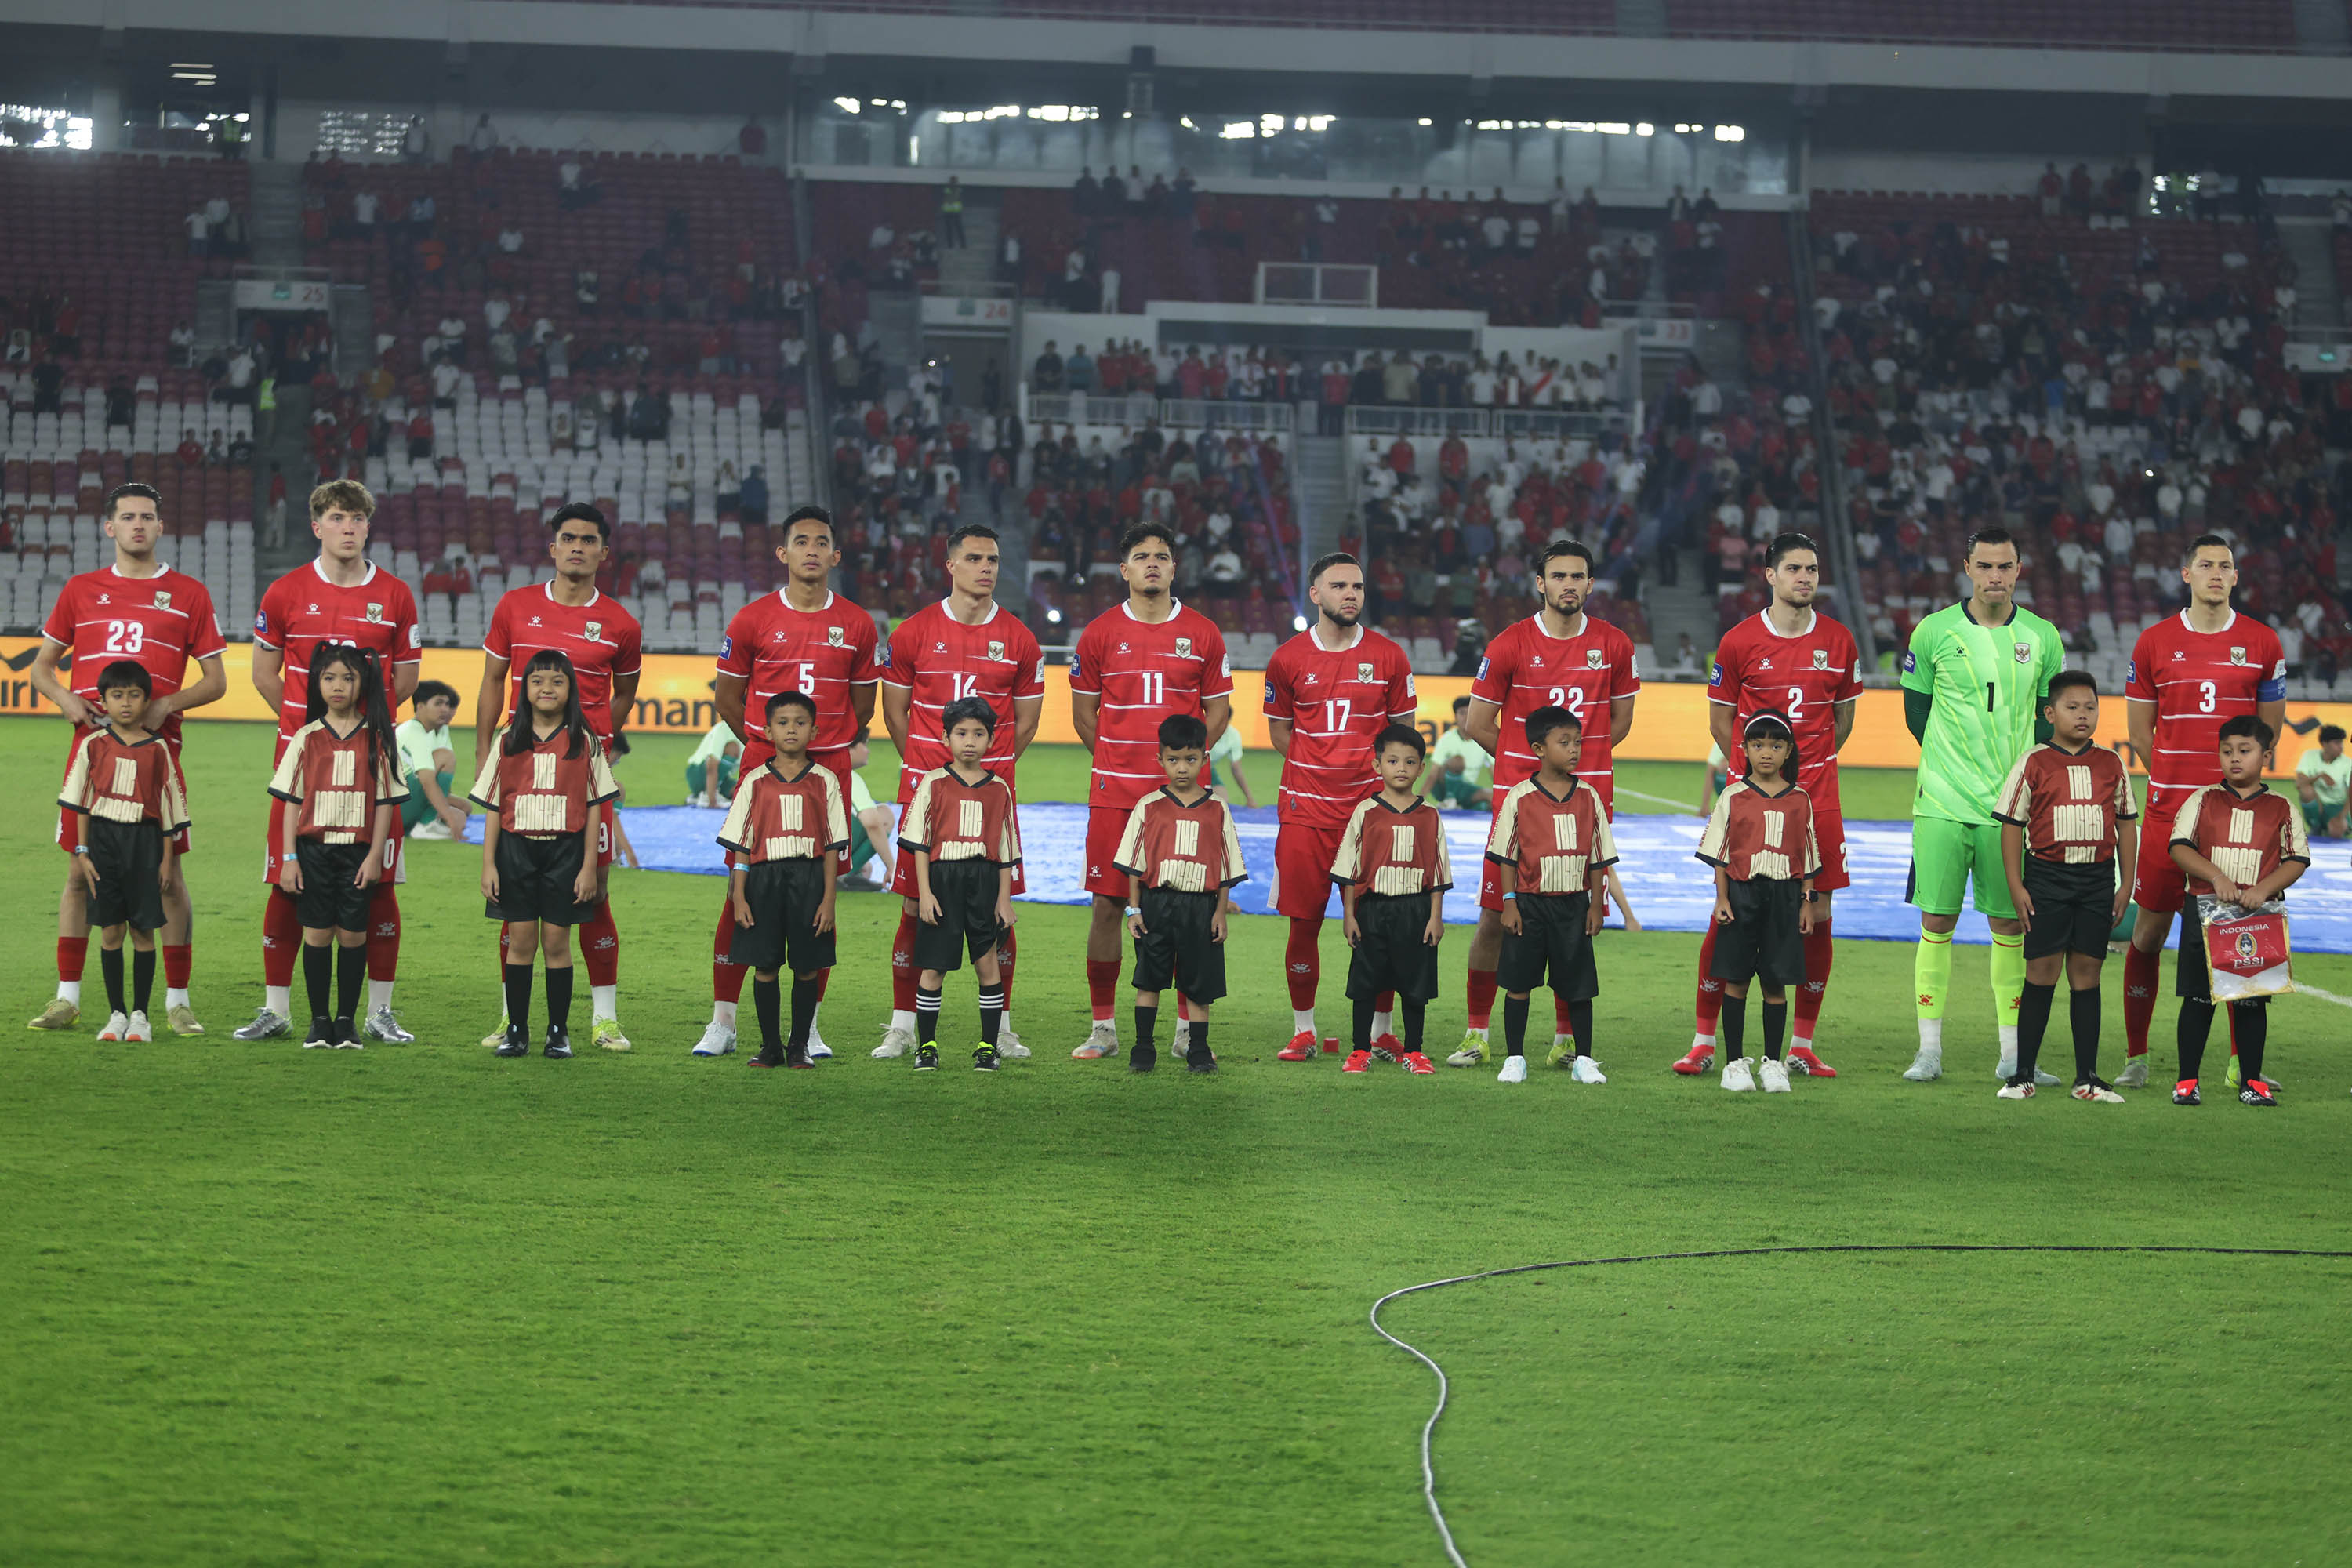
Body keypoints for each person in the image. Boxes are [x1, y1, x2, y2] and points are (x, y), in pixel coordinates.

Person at [28, 484, 227, 1036]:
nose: (138, 526)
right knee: (77, 872)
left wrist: (169, 703)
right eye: (128, 517)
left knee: (167, 879)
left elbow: (216, 681)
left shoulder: (188, 593)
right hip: (91, 755)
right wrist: (67, 698)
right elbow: (43, 667)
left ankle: (177, 1002)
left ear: (161, 527)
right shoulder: (81, 589)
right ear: (109, 528)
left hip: (157, 758)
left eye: (147, 518)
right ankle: (67, 998)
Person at [240, 481, 422, 1045]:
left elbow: (405, 680)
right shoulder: (285, 591)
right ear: (316, 525)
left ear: (369, 527)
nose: (348, 527)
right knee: (287, 880)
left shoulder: (395, 595)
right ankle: (277, 1010)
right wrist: (312, 734)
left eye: (358, 518)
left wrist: (357, 735)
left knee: (379, 881)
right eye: (337, 517)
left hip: (370, 767)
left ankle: (379, 1012)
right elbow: (263, 673)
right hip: (303, 767)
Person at [1452, 539, 1638, 1067]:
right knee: (1494, 918)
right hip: (1520, 808)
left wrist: (1573, 767)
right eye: (1558, 576)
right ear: (1540, 583)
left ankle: (1565, 1039)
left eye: (1578, 576)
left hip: (1585, 807)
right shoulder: (1510, 643)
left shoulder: (1615, 644)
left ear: (1590, 584)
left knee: (1574, 922)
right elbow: (1480, 723)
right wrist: (1530, 772)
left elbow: (1618, 723)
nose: (1569, 585)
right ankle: (1476, 1033)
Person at [702, 506, 880, 1059]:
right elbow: (728, 698)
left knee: (820, 899)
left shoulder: (858, 624)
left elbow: (863, 705)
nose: (810, 550)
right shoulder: (752, 619)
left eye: (820, 542)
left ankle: (810, 1029)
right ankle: (723, 1022)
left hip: (829, 772)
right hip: (764, 768)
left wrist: (821, 752)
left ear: (834, 555)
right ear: (783, 554)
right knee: (742, 894)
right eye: (799, 541)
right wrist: (763, 744)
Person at [1679, 532, 1857, 1079]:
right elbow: (1720, 721)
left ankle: (1801, 1044)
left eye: (1812, 569)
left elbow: (1842, 722)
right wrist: (1749, 781)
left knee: (1817, 915)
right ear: (1771, 576)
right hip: (1748, 805)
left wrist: (1801, 779)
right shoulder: (1737, 642)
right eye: (1794, 569)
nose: (1805, 577)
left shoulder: (1840, 641)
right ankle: (1704, 1040)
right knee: (1728, 911)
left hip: (1816, 802)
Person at [2120, 535, 2288, 1089]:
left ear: (2236, 577)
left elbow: (2268, 732)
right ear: (2186, 574)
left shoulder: (2263, 642)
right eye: (2206, 566)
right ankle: (2137, 1057)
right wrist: (2181, 788)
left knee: (2241, 933)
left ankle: (2244, 1066)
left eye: (2226, 567)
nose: (2217, 574)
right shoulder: (2154, 642)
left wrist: (2230, 796)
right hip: (2170, 814)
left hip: (2238, 821)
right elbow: (2141, 732)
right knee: (2148, 934)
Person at [1897, 527, 2064, 1085]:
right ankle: (1929, 1052)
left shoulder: (2043, 637)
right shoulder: (1933, 632)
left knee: (2009, 925)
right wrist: (1951, 766)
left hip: (2009, 810)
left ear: (2019, 570)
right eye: (1986, 566)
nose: (1996, 576)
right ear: (1967, 567)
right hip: (1942, 802)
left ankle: (2013, 1056)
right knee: (1937, 919)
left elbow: (2049, 721)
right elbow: (1915, 714)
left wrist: (2016, 783)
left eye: (2006, 566)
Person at [474, 504, 644, 1051]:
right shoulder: (515, 606)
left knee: (592, 894)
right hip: (523, 772)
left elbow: (623, 695)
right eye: (567, 538)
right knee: (515, 891)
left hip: (582, 781)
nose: (577, 547)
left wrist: (595, 746)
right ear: (552, 548)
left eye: (588, 540)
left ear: (603, 552)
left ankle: (603, 1019)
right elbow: (493, 681)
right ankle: (510, 1017)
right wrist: (485, 754)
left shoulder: (621, 623)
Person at [873, 526, 1043, 1061]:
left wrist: (985, 776)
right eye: (973, 558)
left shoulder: (1020, 639)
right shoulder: (913, 632)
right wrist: (931, 771)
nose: (985, 567)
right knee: (912, 907)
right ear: (950, 566)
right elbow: (895, 712)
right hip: (927, 793)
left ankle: (1003, 1028)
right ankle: (903, 1026)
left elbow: (1027, 722)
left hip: (991, 799)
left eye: (993, 559)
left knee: (999, 910)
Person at [1068, 523, 1233, 1061]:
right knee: (1108, 906)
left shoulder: (1205, 633)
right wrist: (1121, 762)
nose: (1153, 564)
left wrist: (1182, 769)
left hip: (1185, 802)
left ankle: (1188, 1031)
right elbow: (1084, 716)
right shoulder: (1097, 634)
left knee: (1188, 908)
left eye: (1162, 555)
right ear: (1125, 570)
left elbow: (1220, 710)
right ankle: (1103, 1028)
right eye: (1142, 556)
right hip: (1116, 794)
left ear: (1174, 567)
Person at [1262, 553, 1420, 1062]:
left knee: (1382, 925)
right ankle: (1303, 1030)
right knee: (1303, 922)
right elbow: (1279, 731)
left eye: (1357, 586)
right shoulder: (1287, 659)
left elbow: (1403, 734)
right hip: (1307, 814)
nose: (1350, 594)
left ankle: (1381, 1031)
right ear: (1316, 595)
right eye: (1338, 586)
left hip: (1371, 815)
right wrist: (1317, 769)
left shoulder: (1390, 657)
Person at [1994, 672, 2139, 1102]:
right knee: (2041, 972)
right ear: (2050, 713)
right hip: (2047, 879)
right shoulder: (2033, 762)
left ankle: (2087, 1078)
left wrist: (2125, 883)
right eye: (2073, 707)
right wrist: (2017, 885)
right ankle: (2022, 1075)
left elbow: (2128, 826)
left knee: (2087, 975)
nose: (2082, 715)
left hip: (2096, 881)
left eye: (2090, 707)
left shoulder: (2112, 763)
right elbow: (2010, 826)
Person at [471, 651, 619, 1061]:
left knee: (556, 943)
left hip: (566, 851)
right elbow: (494, 807)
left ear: (570, 689)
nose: (547, 688)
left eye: (557, 681)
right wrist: (489, 864)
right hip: (515, 851)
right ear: (524, 690)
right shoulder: (507, 740)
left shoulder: (584, 742)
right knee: (520, 943)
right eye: (537, 681)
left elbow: (593, 808)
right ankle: (516, 1030)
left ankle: (558, 1032)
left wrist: (589, 866)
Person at [267, 645, 405, 1051]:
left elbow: (384, 802)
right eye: (330, 678)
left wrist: (375, 855)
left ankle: (346, 1023)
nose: (338, 686)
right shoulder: (305, 737)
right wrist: (290, 858)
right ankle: (319, 1023)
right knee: (317, 934)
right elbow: (291, 802)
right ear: (317, 683)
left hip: (357, 854)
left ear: (362, 684)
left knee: (352, 937)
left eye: (348, 678)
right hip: (313, 853)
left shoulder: (378, 738)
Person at [2166, 716, 2308, 1108]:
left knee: (2251, 1001)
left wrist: (2264, 888)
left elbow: (2296, 859)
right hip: (2206, 911)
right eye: (2226, 751)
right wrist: (2215, 877)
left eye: (2244, 751)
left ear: (2267, 755)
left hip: (2258, 916)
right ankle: (2187, 1081)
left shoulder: (2281, 807)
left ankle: (2251, 1082)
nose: (2234, 759)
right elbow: (2179, 846)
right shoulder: (2203, 799)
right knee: (2197, 999)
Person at [56, 661, 191, 1044]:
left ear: (147, 701)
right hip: (103, 844)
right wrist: (83, 852)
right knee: (111, 930)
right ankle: (116, 1014)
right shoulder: (92, 745)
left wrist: (166, 859)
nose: (126, 703)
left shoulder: (159, 749)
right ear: (104, 701)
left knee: (143, 930)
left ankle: (141, 1017)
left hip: (145, 844)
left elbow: (168, 813)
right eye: (117, 696)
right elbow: (80, 804)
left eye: (135, 695)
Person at [1485, 706, 1616, 1083]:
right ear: (1539, 748)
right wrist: (1509, 903)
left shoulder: (1589, 796)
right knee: (1519, 984)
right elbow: (1506, 855)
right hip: (1529, 905)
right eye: (1565, 742)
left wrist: (1595, 904)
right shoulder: (1520, 796)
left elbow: (1597, 858)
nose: (1574, 749)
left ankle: (1584, 1060)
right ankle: (1515, 1058)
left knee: (1578, 987)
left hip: (1574, 906)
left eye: (1578, 742)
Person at [717, 691, 847, 1070]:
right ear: (767, 729)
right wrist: (739, 895)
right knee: (765, 965)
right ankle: (770, 1046)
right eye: (783, 723)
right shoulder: (755, 781)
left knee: (807, 966)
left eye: (800, 723)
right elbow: (742, 845)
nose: (792, 729)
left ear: (814, 730)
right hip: (763, 879)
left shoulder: (825, 781)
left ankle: (799, 1046)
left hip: (809, 879)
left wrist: (828, 900)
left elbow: (832, 847)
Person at [1112, 713, 1246, 1075]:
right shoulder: (1148, 806)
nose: (1182, 768)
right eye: (1173, 760)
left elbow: (1224, 866)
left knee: (1199, 983)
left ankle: (1198, 1050)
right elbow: (1134, 865)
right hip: (1157, 905)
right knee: (1149, 978)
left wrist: (1219, 912)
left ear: (1204, 758)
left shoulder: (1217, 809)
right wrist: (1133, 910)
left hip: (1201, 908)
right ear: (1160, 760)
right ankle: (1143, 1048)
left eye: (1190, 759)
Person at [898, 697, 1022, 1073]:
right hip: (942, 880)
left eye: (978, 734)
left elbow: (1004, 851)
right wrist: (925, 893)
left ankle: (988, 1047)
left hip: (983, 882)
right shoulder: (933, 783)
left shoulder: (999, 788)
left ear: (991, 739)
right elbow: (920, 844)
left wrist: (1004, 899)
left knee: (988, 966)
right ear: (946, 737)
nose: (970, 741)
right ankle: (927, 1047)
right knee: (934, 968)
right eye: (961, 733)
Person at [1334, 724, 1450, 1075]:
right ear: (1377, 765)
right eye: (1393, 760)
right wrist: (1349, 915)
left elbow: (1439, 872)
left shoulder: (1430, 815)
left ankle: (1414, 1051)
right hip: (1373, 910)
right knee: (1365, 983)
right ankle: (1359, 1049)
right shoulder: (1365, 812)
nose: (1401, 768)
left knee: (1416, 986)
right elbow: (1349, 870)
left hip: (1416, 910)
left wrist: (1435, 917)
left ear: (1421, 768)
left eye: (1410, 762)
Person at [398, 681, 469, 839]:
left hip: (407, 798)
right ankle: (426, 825)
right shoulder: (413, 732)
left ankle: (428, 823)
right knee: (445, 757)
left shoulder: (436, 730)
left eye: (447, 704)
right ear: (420, 706)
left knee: (463, 811)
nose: (445, 709)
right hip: (397, 805)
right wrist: (449, 818)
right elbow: (427, 782)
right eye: (438, 703)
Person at [840, 731, 896, 891]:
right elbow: (872, 823)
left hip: (802, 861)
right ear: (849, 749)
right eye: (864, 745)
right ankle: (843, 874)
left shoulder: (819, 770)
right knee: (884, 813)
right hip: (826, 864)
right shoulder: (850, 778)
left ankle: (848, 871)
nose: (868, 750)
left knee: (866, 868)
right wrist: (891, 866)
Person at [1420, 695, 1494, 811]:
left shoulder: (1483, 740)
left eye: (1470, 712)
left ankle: (1458, 807)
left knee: (1492, 800)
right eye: (1462, 713)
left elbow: (1493, 771)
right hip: (1442, 789)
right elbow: (1433, 773)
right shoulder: (1447, 739)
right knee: (1457, 761)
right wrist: (1419, 801)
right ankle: (1449, 799)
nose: (1466, 717)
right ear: (1455, 717)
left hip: (1466, 789)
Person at [2296, 724, 2349, 839]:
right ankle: (2316, 826)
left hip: (2337, 806)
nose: (2341, 747)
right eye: (2337, 743)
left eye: (2342, 742)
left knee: (2336, 834)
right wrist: (2319, 776)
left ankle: (2341, 825)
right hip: (2318, 805)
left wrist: (2341, 817)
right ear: (2324, 744)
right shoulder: (2309, 755)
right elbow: (2299, 784)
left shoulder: (2348, 763)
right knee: (2306, 791)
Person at [686, 719, 742, 807]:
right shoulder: (724, 728)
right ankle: (707, 795)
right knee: (733, 748)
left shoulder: (752, 733)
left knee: (746, 793)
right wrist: (712, 801)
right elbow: (711, 766)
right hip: (698, 773)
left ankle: (698, 796)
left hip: (722, 778)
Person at [1206, 721, 1257, 808]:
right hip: (1189, 769)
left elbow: (1236, 767)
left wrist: (1250, 798)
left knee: (1221, 803)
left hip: (1209, 770)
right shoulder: (1200, 730)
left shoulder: (1233, 736)